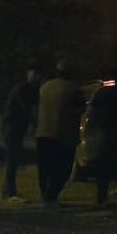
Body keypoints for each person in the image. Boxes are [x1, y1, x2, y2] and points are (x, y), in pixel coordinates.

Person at [36, 59, 84, 208]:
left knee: (45, 168)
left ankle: (46, 197)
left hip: (43, 133)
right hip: (63, 134)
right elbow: (81, 109)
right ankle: (52, 196)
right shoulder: (74, 88)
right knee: (63, 168)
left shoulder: (45, 87)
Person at [85, 68, 117, 207]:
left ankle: (102, 197)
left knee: (103, 167)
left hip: (105, 132)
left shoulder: (103, 92)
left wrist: (90, 130)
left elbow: (92, 112)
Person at [0, 65, 40, 203]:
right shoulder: (22, 89)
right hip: (11, 127)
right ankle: (10, 192)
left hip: (16, 126)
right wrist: (34, 122)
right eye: (34, 75)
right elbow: (26, 108)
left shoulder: (30, 90)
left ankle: (8, 190)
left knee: (14, 158)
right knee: (12, 158)